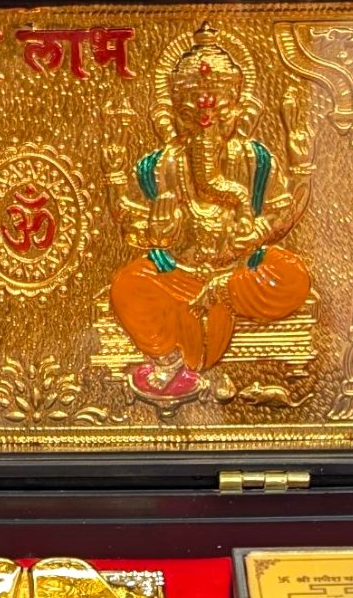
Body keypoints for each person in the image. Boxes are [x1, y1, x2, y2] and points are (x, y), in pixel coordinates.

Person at [103, 23, 310, 401]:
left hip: (237, 275)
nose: (206, 123)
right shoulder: (158, 165)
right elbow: (126, 218)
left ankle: (218, 298)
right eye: (190, 112)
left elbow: (283, 209)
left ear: (241, 110)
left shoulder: (255, 159)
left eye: (220, 111)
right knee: (127, 285)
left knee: (292, 274)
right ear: (171, 114)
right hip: (176, 273)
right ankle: (170, 361)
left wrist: (259, 232)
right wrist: (154, 229)